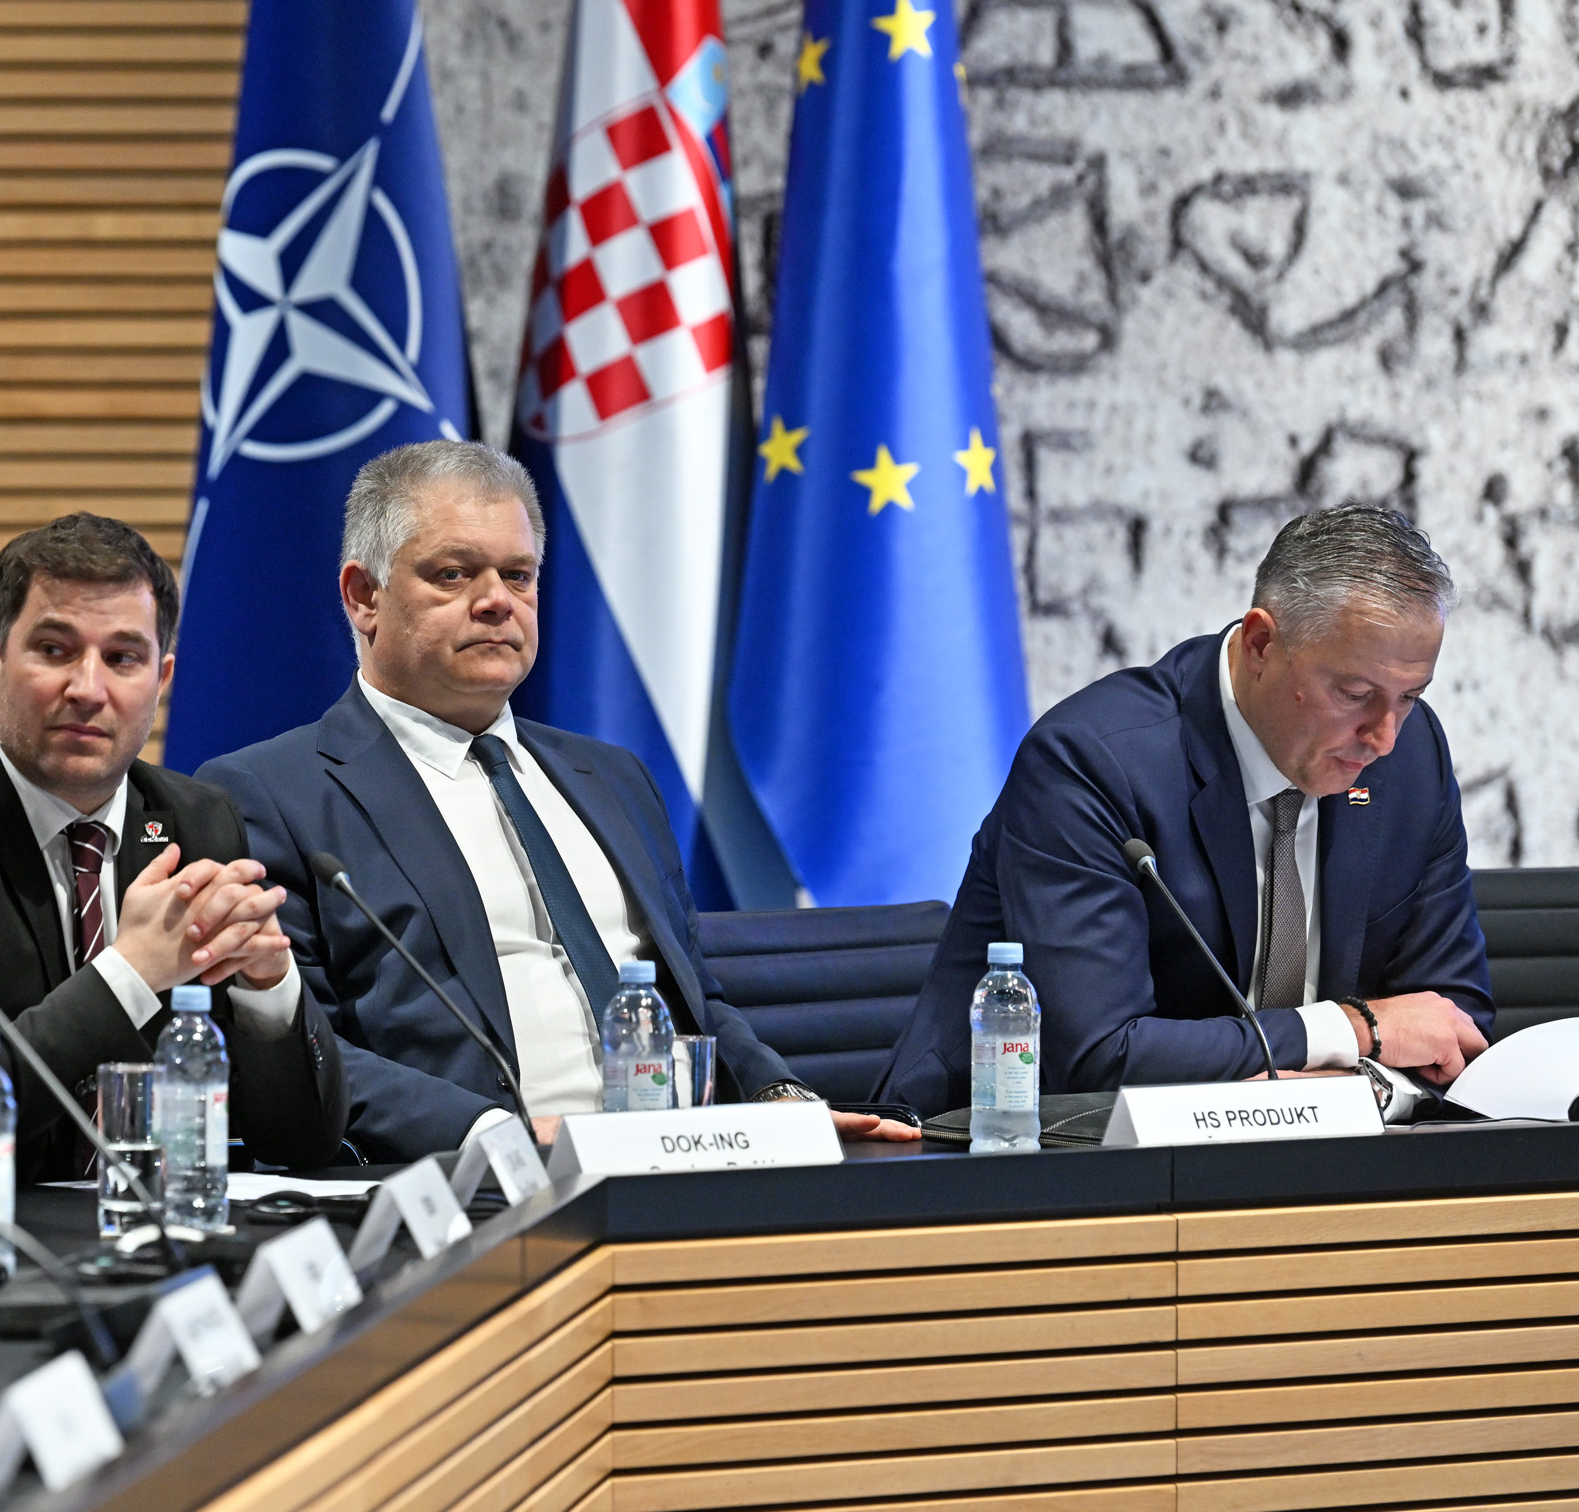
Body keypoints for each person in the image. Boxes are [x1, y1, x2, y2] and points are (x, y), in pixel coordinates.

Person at [198, 442, 922, 1160]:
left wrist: (779, 1103)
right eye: (453, 575)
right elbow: (298, 1053)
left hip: (682, 1167)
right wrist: (494, 1135)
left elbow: (697, 1000)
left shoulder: (611, 779)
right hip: (475, 1190)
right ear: (363, 596)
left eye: (518, 575)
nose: (495, 602)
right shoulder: (269, 794)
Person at [876, 505, 1491, 1115]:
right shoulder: (1093, 763)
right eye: (1355, 694)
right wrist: (1351, 1030)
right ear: (1260, 644)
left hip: (1314, 1163)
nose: (1383, 735)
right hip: (1011, 1159)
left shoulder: (1411, 757)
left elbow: (1453, 1024)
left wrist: (1363, 1091)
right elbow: (1096, 1058)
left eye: (1409, 696)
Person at [0, 514, 348, 1178]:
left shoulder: (196, 821)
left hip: (135, 1242)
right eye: (55, 650)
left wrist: (268, 991)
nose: (88, 688)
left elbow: (303, 1147)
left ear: (162, 679)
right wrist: (132, 972)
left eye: (122, 658)